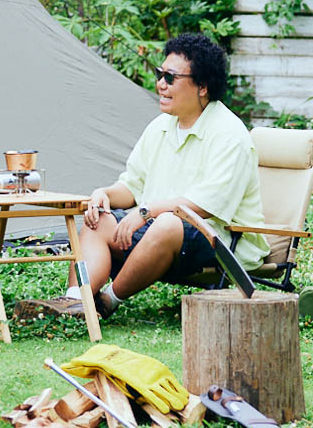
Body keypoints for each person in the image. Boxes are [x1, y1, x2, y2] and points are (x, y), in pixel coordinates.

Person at [23, 33, 266, 320]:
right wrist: (104, 194)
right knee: (99, 218)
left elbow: (202, 207)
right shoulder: (161, 126)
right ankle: (74, 303)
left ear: (202, 86)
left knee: (167, 223)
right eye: (159, 74)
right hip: (156, 230)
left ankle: (106, 302)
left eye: (171, 78)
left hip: (219, 242)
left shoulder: (229, 134)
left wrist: (145, 212)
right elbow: (131, 186)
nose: (161, 84)